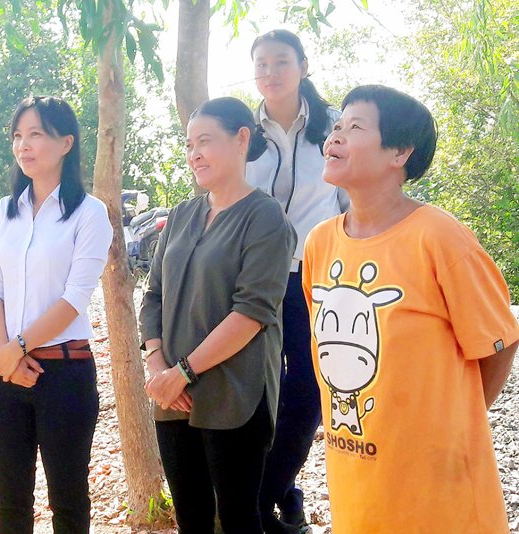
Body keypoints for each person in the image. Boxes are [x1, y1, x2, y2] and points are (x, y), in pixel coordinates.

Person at [303, 84, 519, 533]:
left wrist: (452, 425)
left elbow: (500, 341)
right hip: (357, 487)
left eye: (355, 126)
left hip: (441, 500)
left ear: (399, 152)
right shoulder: (320, 242)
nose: (336, 135)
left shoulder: (438, 236)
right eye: (337, 125)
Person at [140, 97, 296, 534]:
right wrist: (159, 368)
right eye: (189, 145)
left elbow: (252, 312)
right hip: (173, 397)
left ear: (241, 139)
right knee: (190, 519)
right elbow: (153, 296)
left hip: (235, 394)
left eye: (205, 141)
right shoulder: (181, 215)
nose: (195, 154)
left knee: (238, 519)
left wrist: (183, 372)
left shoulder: (265, 217)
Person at [0, 95, 112, 534]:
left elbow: (75, 298)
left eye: (36, 134)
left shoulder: (90, 213)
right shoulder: (4, 212)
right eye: (18, 135)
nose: (24, 145)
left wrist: (15, 348)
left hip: (64, 377)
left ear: (66, 142)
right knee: (9, 501)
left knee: (68, 501)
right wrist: (5, 355)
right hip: (4, 376)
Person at [245, 29, 349, 534]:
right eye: (261, 63)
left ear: (303, 66)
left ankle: (261, 499)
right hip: (254, 279)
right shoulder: (243, 131)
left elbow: (351, 196)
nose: (270, 72)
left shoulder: (333, 124)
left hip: (317, 277)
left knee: (308, 390)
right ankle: (286, 495)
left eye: (281, 61)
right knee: (258, 391)